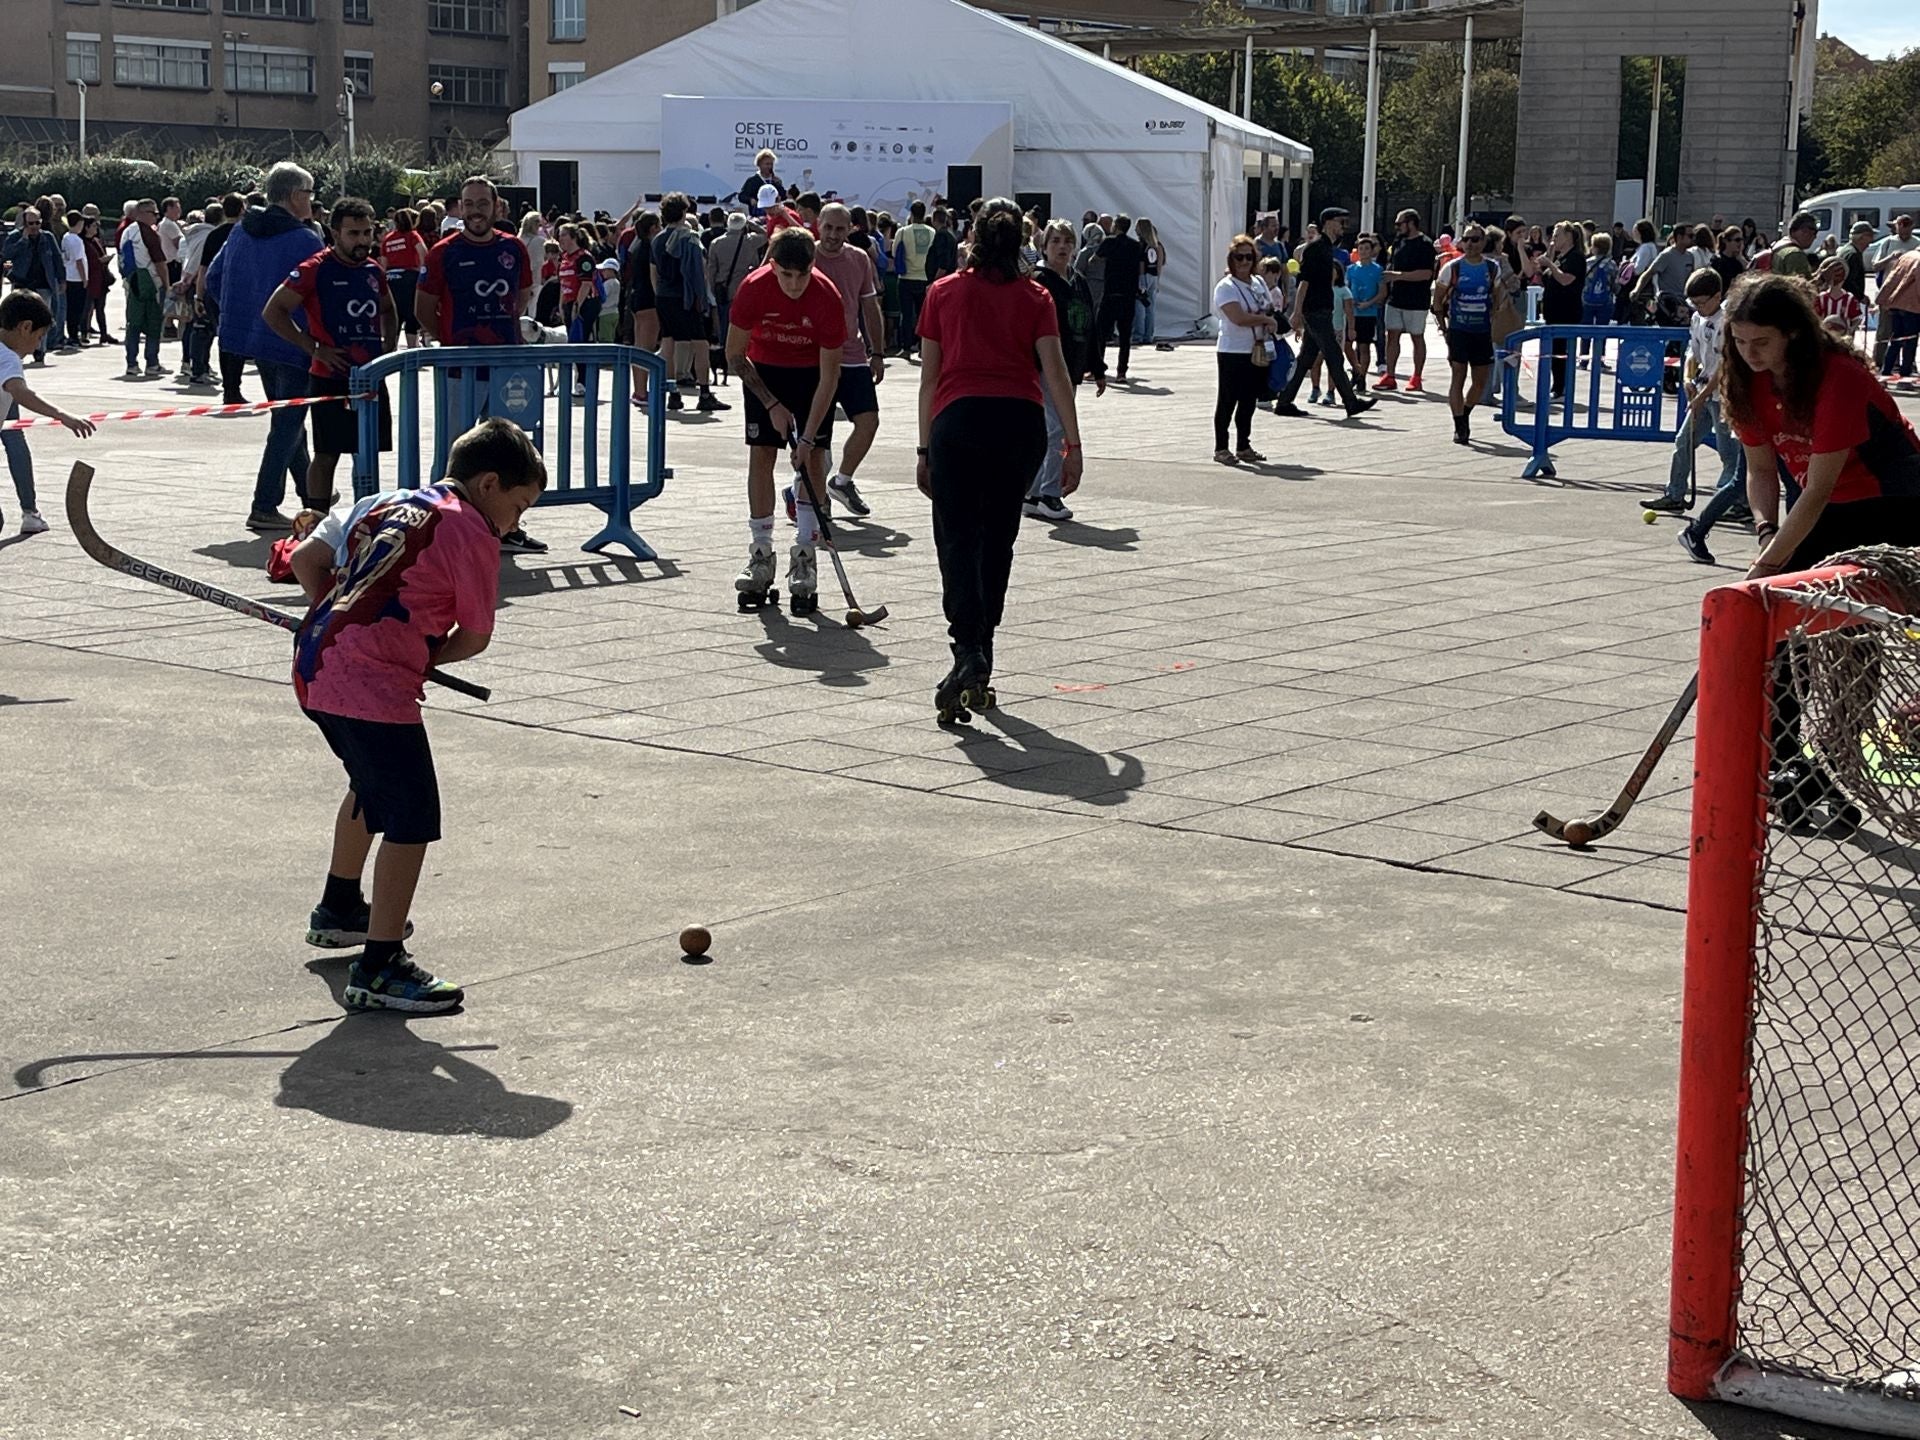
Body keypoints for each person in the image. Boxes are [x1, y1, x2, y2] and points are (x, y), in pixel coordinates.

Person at [289, 418, 547, 1014]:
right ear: (488, 484)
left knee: (370, 785)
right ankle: (380, 967)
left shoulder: (389, 500)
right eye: (519, 505)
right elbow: (476, 635)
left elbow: (309, 559)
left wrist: (345, 623)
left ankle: (340, 909)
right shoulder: (472, 531)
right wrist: (426, 652)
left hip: (316, 664)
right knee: (412, 818)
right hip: (371, 686)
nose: (516, 523)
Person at [914, 197, 1082, 722]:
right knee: (998, 536)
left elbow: (929, 379)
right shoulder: (1036, 297)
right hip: (1018, 424)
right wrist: (1072, 446)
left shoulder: (942, 292)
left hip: (957, 422)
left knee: (957, 538)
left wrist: (923, 448)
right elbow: (1056, 374)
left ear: (975, 237)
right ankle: (982, 646)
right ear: (1023, 245)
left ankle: (966, 647)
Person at [416, 176, 546, 554]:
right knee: (455, 449)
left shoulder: (513, 249)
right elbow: (423, 308)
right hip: (460, 368)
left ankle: (506, 530)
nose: (475, 211)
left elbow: (522, 297)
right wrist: (452, 342)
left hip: (507, 367)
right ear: (460, 207)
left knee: (510, 451)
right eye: (468, 203)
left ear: (496, 206)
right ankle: (438, 527)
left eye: (482, 203)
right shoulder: (443, 252)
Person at [724, 227, 846, 613]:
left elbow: (830, 376)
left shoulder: (827, 296)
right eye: (785, 275)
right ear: (773, 266)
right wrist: (772, 403)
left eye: (802, 275)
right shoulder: (754, 287)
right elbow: (733, 357)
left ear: (814, 266)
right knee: (762, 455)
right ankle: (761, 551)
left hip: (811, 376)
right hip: (765, 372)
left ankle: (805, 555)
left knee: (812, 461)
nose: (794, 285)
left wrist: (809, 436)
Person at [206, 167, 325, 531]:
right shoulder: (306, 240)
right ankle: (264, 503)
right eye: (309, 192)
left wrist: (240, 314)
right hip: (293, 341)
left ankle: (312, 496)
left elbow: (213, 279)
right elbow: (325, 291)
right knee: (288, 422)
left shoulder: (241, 230)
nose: (312, 198)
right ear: (294, 196)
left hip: (255, 340)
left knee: (287, 419)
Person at [263, 197, 399, 513]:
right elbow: (274, 311)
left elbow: (390, 309)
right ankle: (317, 518)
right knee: (327, 453)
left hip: (369, 378)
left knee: (368, 453)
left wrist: (388, 350)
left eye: (367, 233)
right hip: (330, 378)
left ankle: (363, 516)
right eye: (354, 234)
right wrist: (313, 348)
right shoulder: (315, 269)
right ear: (335, 233)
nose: (363, 241)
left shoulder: (373, 270)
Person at [1644, 270, 1744, 563]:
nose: (1698, 308)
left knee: (1729, 452)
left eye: (1702, 302)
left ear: (1717, 296)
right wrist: (1689, 378)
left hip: (1722, 394)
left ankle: (1734, 503)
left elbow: (1725, 364)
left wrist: (1703, 394)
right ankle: (1675, 493)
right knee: (1683, 441)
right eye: (1694, 303)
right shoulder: (1698, 318)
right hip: (1702, 391)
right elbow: (1692, 352)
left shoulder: (1727, 321)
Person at [808, 203, 884, 518]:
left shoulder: (859, 258)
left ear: (849, 229)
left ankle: (841, 481)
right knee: (816, 435)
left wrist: (877, 351)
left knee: (868, 422)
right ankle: (809, 496)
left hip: (851, 355)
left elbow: (869, 306)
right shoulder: (805, 255)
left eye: (840, 229)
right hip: (812, 357)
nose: (833, 236)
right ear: (818, 226)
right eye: (828, 228)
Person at [0, 290, 96, 535]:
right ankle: (30, 511)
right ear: (25, 327)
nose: (36, 348)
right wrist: (63, 415)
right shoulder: (8, 358)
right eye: (39, 337)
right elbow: (20, 392)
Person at [1027, 217, 1103, 520]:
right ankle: (1049, 492)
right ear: (1044, 247)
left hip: (1072, 365)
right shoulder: (1039, 281)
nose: (1062, 247)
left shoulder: (1078, 280)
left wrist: (1097, 366)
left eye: (1068, 241)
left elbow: (1090, 324)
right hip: (1045, 366)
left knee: (1051, 429)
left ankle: (1032, 492)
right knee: (1057, 429)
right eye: (1055, 241)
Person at [1274, 207, 1375, 420]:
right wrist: (1297, 312)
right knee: (1334, 355)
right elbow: (1304, 282)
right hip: (1315, 310)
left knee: (1306, 358)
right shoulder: (1316, 249)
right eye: (1340, 222)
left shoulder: (1327, 248)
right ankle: (1351, 402)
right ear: (1328, 222)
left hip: (1321, 309)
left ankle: (1284, 401)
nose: (1343, 227)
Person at [1431, 223, 1504, 445]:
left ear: (1483, 242)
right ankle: (1459, 424)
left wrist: (1493, 317)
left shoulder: (1492, 268)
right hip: (1459, 330)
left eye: (1475, 240)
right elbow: (1437, 301)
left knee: (1480, 382)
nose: (1471, 244)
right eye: (1467, 239)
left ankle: (1465, 412)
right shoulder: (1452, 268)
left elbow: (1497, 297)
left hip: (1481, 330)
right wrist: (1444, 328)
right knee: (1458, 376)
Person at [650, 193, 725, 413]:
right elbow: (699, 271)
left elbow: (653, 272)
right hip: (686, 297)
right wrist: (700, 299)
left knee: (668, 343)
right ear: (683, 212)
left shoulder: (658, 239)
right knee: (700, 343)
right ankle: (704, 392)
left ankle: (673, 393)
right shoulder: (691, 238)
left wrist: (660, 295)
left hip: (664, 296)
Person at [1212, 235, 1279, 464]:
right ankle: (1221, 447)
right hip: (1233, 350)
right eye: (1239, 257)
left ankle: (1243, 445)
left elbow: (1269, 307)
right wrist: (1264, 319)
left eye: (1248, 257)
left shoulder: (1258, 282)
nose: (1244, 262)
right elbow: (1238, 318)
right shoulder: (1226, 287)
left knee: (1249, 400)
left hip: (1258, 348)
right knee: (1228, 399)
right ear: (1231, 259)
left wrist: (1270, 319)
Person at [196, 194, 249, 402]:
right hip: (238, 294)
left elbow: (204, 269)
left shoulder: (214, 235)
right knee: (237, 342)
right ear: (242, 210)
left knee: (223, 339)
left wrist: (199, 297)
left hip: (214, 293)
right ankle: (233, 388)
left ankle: (229, 388)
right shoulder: (245, 235)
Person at [1378, 208, 1435, 391]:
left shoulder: (1425, 244)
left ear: (1410, 223)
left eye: (1399, 223)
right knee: (1391, 335)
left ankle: (1417, 376)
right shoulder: (1398, 242)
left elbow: (1426, 274)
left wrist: (1397, 276)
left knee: (1416, 337)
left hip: (1417, 300)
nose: (1397, 228)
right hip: (1395, 298)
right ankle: (1390, 375)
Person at [117, 199, 171, 380]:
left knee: (133, 323)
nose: (156, 217)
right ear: (142, 214)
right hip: (150, 282)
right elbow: (160, 262)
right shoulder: (147, 233)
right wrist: (166, 284)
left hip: (132, 282)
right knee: (154, 323)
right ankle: (152, 363)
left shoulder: (126, 232)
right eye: (153, 213)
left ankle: (131, 363)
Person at [3, 207, 62, 365]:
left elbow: (57, 258)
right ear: (24, 223)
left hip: (44, 283)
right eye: (31, 223)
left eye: (38, 222)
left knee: (42, 318)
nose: (35, 226)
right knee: (19, 319)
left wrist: (61, 280)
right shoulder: (14, 237)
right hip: (22, 282)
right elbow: (7, 254)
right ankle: (16, 349)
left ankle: (39, 350)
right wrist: (23, 240)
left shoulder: (47, 237)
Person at [1093, 214, 1146, 382]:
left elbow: (1095, 259)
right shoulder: (1135, 245)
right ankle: (1121, 372)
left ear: (1116, 225)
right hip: (1128, 295)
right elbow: (1140, 268)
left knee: (1101, 333)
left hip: (1110, 293)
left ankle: (1097, 369)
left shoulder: (1109, 242)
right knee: (1125, 337)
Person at [1537, 220, 1586, 398]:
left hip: (1566, 311)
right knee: (1554, 351)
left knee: (1561, 351)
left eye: (1557, 236)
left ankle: (1561, 387)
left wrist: (1550, 265)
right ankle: (1557, 385)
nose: (1554, 239)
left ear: (1569, 237)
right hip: (1553, 311)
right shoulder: (1560, 257)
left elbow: (1566, 279)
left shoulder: (1575, 257)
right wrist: (1549, 260)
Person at [705, 210, 765, 350]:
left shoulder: (716, 243)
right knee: (745, 322)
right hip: (745, 288)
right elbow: (766, 234)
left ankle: (725, 351)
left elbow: (712, 269)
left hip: (724, 289)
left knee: (725, 322)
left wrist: (714, 288)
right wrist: (748, 222)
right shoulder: (750, 241)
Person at [380, 208, 429, 349]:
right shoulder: (413, 236)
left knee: (395, 314)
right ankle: (412, 350)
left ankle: (392, 351)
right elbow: (423, 253)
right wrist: (422, 273)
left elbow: (383, 264)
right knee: (411, 314)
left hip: (391, 278)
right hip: (409, 277)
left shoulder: (387, 239)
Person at [895, 201, 936, 359]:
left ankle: (906, 348)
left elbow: (894, 251)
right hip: (925, 278)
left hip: (906, 278)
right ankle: (922, 347)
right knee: (923, 315)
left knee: (906, 314)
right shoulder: (932, 232)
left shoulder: (903, 232)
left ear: (911, 214)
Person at [1876, 247, 1920, 383]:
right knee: (1910, 342)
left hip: (1896, 304)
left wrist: (1883, 298)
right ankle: (1905, 375)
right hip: (1913, 306)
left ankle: (1885, 371)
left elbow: (1892, 277)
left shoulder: (1907, 256)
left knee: (1896, 340)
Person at [1345, 233, 1383, 384]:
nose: (1364, 251)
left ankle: (1362, 377)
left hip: (1368, 313)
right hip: (1352, 313)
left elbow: (1382, 292)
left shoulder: (1378, 269)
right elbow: (1346, 288)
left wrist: (1369, 303)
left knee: (1364, 346)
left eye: (1367, 248)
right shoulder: (1351, 269)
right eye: (1361, 248)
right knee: (1348, 344)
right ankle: (1356, 368)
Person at [1579, 232, 1616, 366]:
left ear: (1594, 247)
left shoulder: (1588, 263)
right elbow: (1615, 284)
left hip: (1587, 300)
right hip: (1605, 302)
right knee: (1602, 332)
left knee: (1586, 330)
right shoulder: (1611, 264)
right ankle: (1600, 360)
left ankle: (1583, 360)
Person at [1814, 257, 1865, 340]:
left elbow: (1857, 318)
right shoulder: (1821, 298)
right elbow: (1816, 317)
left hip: (1843, 338)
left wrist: (1850, 330)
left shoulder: (1849, 298)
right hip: (1825, 337)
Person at [59, 212, 89, 350]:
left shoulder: (66, 237)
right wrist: (84, 278)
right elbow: (79, 261)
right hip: (76, 277)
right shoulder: (76, 240)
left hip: (68, 274)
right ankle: (74, 336)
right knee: (77, 309)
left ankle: (71, 334)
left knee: (71, 308)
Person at [1133, 217, 1164, 346]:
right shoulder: (1156, 245)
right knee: (1151, 307)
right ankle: (1149, 335)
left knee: (1140, 306)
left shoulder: (1141, 245)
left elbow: (1140, 263)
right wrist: (1158, 279)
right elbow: (1159, 263)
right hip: (1154, 276)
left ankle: (1138, 335)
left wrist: (1140, 280)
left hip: (1144, 275)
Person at [1768, 212, 1820, 280]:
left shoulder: (1778, 247)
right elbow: (1802, 287)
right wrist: (1822, 277)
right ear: (1793, 231)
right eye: (1811, 232)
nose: (1814, 237)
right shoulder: (1795, 254)